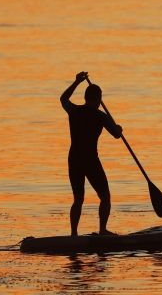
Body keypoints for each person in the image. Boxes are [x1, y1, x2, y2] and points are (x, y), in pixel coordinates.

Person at [60, 71, 123, 236]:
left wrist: (76, 82)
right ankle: (102, 230)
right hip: (90, 160)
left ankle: (74, 234)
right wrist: (119, 128)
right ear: (99, 99)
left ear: (85, 97)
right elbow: (116, 134)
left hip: (74, 159)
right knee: (105, 198)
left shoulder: (74, 111)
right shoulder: (101, 116)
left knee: (78, 199)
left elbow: (63, 99)